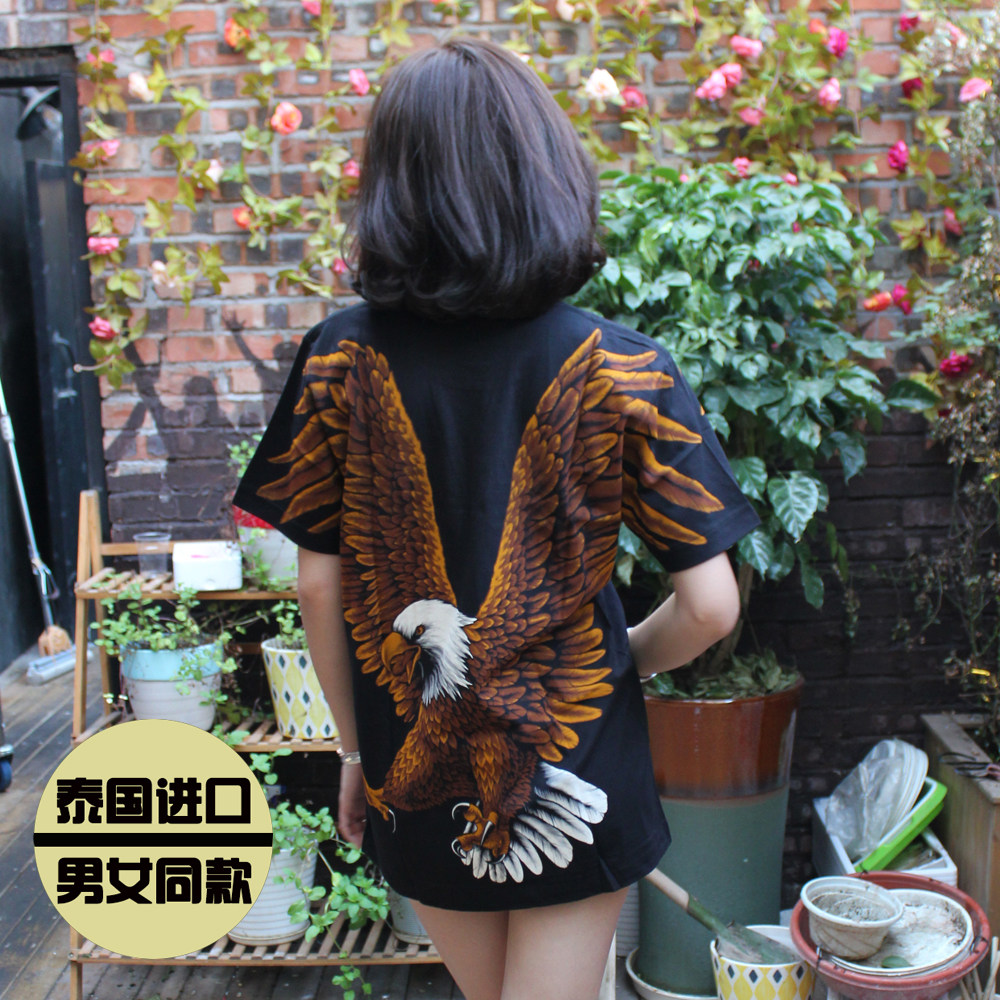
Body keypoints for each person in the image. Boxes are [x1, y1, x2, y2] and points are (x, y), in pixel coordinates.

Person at [234, 36, 760, 1000]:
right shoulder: (622, 367)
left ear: (392, 189)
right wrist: (622, 665)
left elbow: (318, 584)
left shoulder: (337, 360)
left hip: (417, 776)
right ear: (543, 176)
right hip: (575, 766)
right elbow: (712, 607)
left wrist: (352, 752)